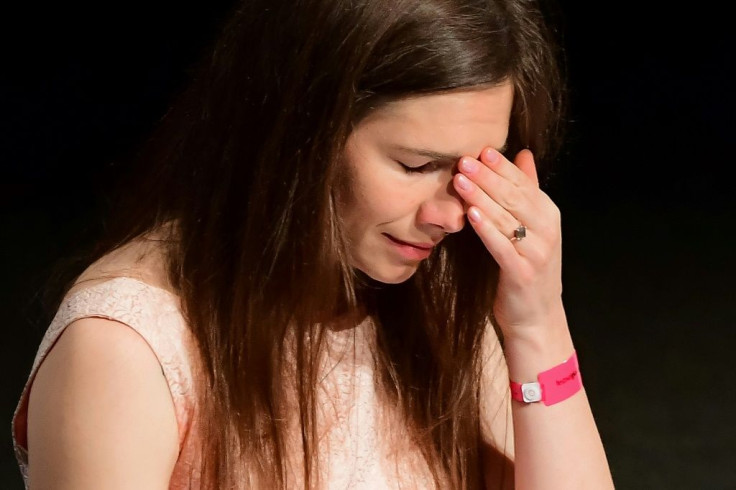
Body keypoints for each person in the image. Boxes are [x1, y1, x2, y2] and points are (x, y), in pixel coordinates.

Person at [11, 0, 615, 488]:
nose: (453, 215)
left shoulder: (431, 301)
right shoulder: (129, 344)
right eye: (413, 165)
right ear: (298, 135)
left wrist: (538, 325)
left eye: (478, 168)